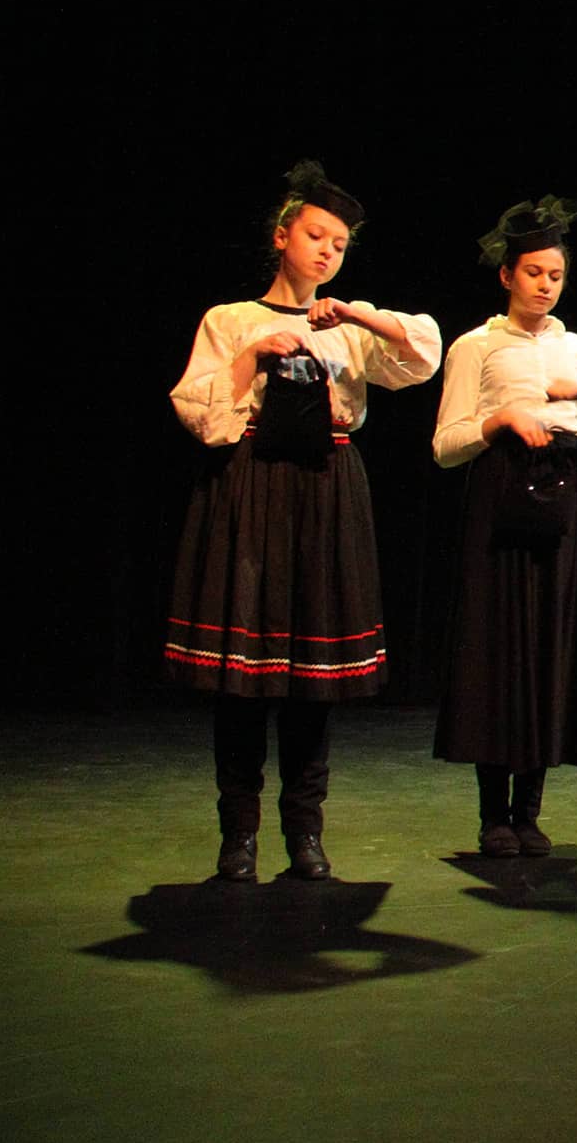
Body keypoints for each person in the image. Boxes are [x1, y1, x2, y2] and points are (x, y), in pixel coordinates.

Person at [167, 162, 441, 882]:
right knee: (245, 676)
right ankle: (239, 836)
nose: (327, 250)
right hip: (252, 487)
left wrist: (354, 313)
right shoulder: (232, 320)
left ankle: (306, 832)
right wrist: (252, 356)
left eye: (340, 244)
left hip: (326, 488)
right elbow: (200, 414)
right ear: (282, 235)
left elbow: (420, 358)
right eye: (316, 235)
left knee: (313, 674)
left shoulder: (348, 325)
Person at [432, 197, 577, 855]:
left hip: (562, 491)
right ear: (507, 276)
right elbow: (445, 443)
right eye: (533, 273)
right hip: (500, 490)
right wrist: (500, 420)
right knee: (498, 648)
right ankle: (493, 812)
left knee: (549, 644)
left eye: (555, 275)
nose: (545, 285)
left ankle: (530, 809)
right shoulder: (477, 345)